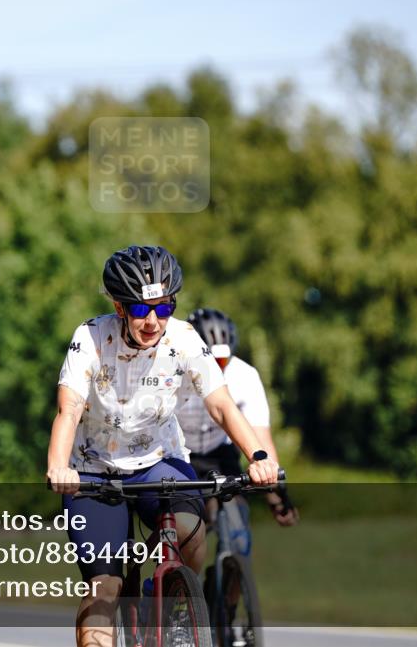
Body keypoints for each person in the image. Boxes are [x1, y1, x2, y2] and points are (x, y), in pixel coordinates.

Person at [46, 246, 278, 647]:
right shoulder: (90, 337)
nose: (153, 321)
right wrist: (58, 468)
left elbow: (221, 406)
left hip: (159, 460)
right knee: (105, 586)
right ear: (119, 307)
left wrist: (258, 456)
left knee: (190, 532)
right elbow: (69, 410)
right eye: (140, 311)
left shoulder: (185, 338)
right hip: (94, 470)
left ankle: (175, 607)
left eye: (164, 307)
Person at [177, 307, 298, 531]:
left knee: (238, 521)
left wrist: (278, 496)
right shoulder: (174, 372)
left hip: (220, 455)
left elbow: (262, 440)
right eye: (212, 361)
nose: (217, 368)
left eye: (223, 361)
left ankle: (235, 558)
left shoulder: (245, 375)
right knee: (187, 529)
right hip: (180, 454)